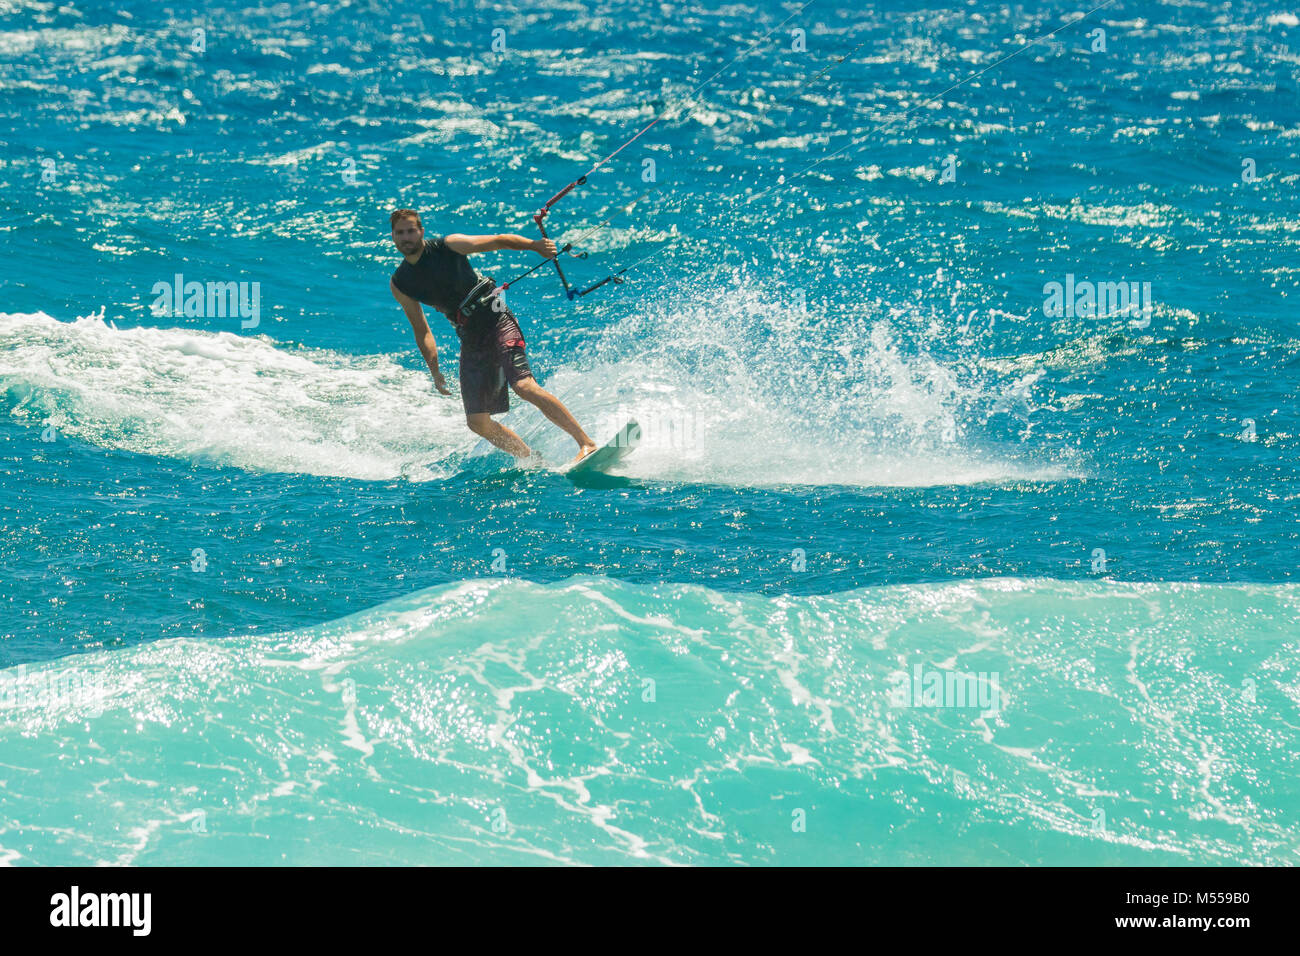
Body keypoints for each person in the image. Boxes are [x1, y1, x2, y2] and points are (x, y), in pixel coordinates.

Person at [388, 208, 597, 462]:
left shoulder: (449, 246)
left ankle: (586, 443)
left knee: (524, 386)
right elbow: (421, 331)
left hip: (497, 320)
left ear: (421, 231)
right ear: (393, 237)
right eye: (400, 233)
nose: (406, 237)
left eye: (411, 230)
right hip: (471, 337)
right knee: (477, 422)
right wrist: (434, 370)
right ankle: (531, 459)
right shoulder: (400, 282)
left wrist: (535, 246)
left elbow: (498, 240)